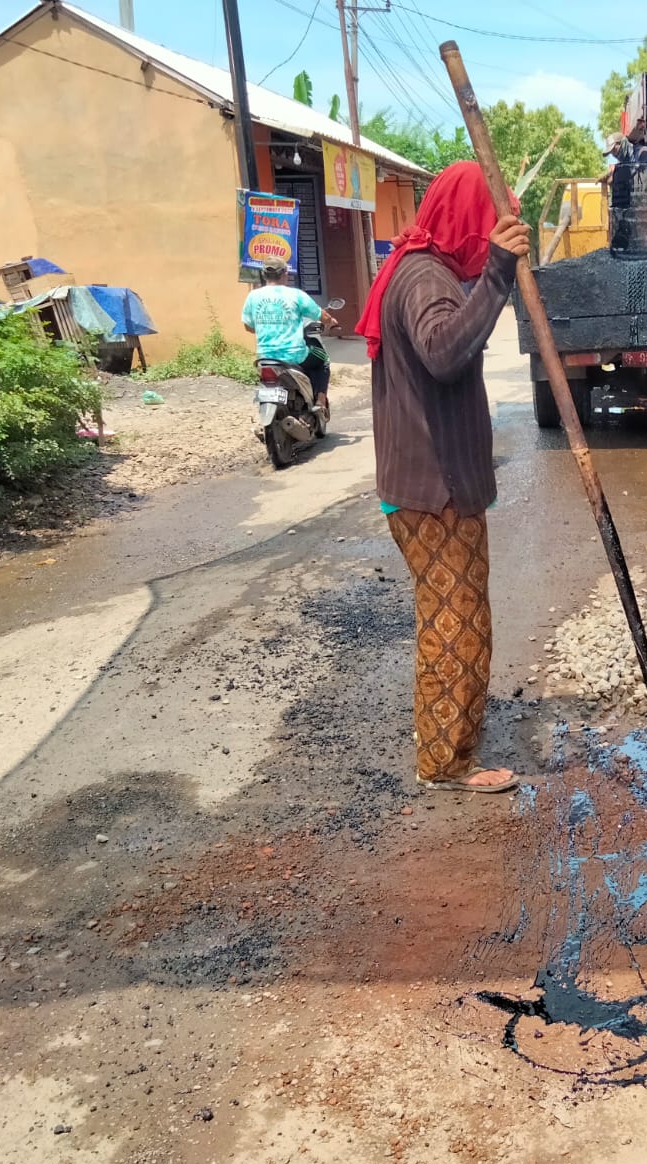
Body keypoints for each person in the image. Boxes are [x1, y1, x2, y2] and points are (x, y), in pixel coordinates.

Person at [355, 161, 530, 795]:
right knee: (455, 622)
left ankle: (446, 738)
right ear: (467, 219)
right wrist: (498, 272)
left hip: (431, 486)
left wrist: (489, 277)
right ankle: (445, 762)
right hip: (435, 490)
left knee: (455, 616)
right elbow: (444, 351)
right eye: (489, 219)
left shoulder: (421, 267)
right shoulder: (427, 278)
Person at [241, 261, 338, 405]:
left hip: (264, 357)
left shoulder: (252, 296)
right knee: (323, 360)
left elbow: (249, 327)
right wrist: (331, 321)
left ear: (264, 274)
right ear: (285, 274)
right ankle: (320, 400)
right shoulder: (296, 295)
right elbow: (321, 316)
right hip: (294, 356)